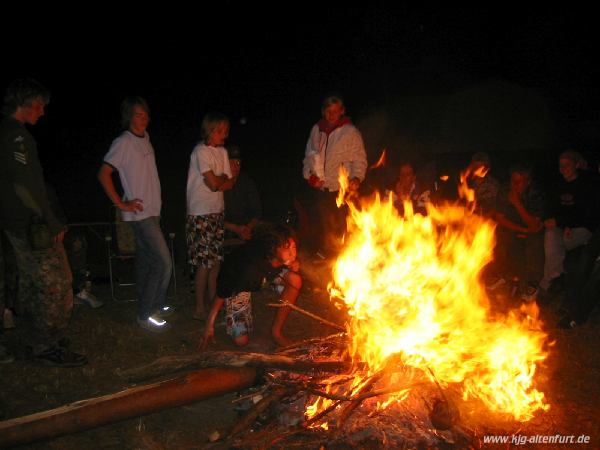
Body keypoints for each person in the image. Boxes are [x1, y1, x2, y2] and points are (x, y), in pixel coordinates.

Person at [0, 78, 86, 366]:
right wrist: (50, 221)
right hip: (28, 224)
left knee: (31, 282)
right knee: (53, 285)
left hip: (17, 223)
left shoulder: (11, 132)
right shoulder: (15, 137)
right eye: (39, 105)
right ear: (25, 102)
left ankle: (33, 337)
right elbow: (25, 187)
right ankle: (46, 345)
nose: (42, 111)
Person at [98, 96, 173, 332]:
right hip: (140, 214)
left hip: (153, 211)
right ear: (129, 116)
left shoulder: (146, 139)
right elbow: (104, 174)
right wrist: (122, 204)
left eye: (146, 114)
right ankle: (148, 312)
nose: (144, 119)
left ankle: (149, 308)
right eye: (139, 114)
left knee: (145, 263)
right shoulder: (123, 142)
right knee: (163, 262)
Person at [200, 223, 302, 348]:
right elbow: (222, 292)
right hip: (238, 285)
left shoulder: (282, 258)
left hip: (264, 277)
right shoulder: (247, 271)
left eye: (294, 247)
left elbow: (289, 261)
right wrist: (210, 324)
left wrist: (294, 263)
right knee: (241, 341)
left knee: (294, 281)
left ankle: (276, 332)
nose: (293, 253)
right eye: (287, 248)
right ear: (274, 248)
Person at [300, 95, 367, 256]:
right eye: (329, 111)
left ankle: (341, 264)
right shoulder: (316, 130)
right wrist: (310, 176)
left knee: (341, 234)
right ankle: (326, 265)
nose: (332, 115)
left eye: (335, 111)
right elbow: (308, 158)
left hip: (341, 191)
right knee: (322, 231)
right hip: (321, 191)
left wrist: (357, 178)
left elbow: (360, 159)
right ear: (323, 112)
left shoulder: (350, 132)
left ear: (342, 111)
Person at [186, 112, 235, 320]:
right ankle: (199, 306)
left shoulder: (222, 152)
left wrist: (218, 180)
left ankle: (213, 301)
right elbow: (215, 183)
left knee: (215, 262)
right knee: (204, 264)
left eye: (226, 131)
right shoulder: (200, 152)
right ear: (210, 130)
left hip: (217, 211)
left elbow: (227, 182)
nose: (224, 135)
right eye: (221, 131)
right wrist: (218, 180)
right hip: (200, 213)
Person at [538, 150, 600, 300]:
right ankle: (555, 280)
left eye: (567, 165)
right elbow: (550, 207)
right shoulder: (557, 185)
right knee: (551, 236)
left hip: (583, 228)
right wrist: (552, 220)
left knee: (555, 245)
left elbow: (587, 214)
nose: (562, 169)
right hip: (563, 228)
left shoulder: (588, 185)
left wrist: (564, 223)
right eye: (560, 165)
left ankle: (548, 284)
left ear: (576, 165)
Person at [491, 164, 545, 301]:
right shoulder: (504, 191)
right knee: (498, 236)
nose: (515, 185)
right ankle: (504, 275)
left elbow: (534, 225)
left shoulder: (535, 193)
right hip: (514, 227)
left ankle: (532, 283)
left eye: (519, 181)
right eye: (513, 181)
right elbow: (500, 218)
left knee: (535, 241)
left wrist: (517, 204)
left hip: (533, 228)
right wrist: (523, 230)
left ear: (528, 181)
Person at [224, 145, 261, 243]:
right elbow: (215, 218)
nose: (236, 166)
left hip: (246, 226)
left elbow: (257, 211)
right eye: (232, 163)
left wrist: (248, 228)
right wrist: (236, 228)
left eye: (238, 163)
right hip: (228, 228)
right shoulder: (219, 183)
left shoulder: (247, 182)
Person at [468, 151, 499, 217]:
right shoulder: (467, 182)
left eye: (481, 166)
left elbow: (494, 206)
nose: (478, 169)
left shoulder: (493, 184)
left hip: (486, 218)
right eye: (476, 166)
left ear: (487, 168)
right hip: (468, 217)